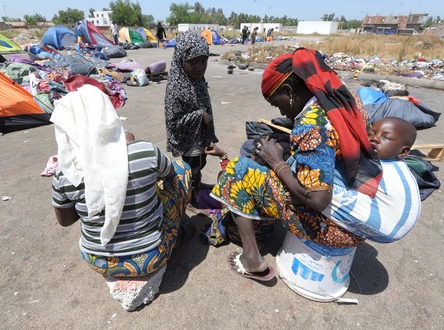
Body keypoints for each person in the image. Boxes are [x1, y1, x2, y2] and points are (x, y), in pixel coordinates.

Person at [210, 48, 383, 281]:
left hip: (334, 229)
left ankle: (252, 258)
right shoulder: (344, 98)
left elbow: (318, 200)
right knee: (265, 166)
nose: (280, 111)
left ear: (289, 91)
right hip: (358, 211)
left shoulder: (311, 125)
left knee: (237, 170)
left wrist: (277, 162)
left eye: (276, 103)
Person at [51, 84, 193, 281]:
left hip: (98, 262)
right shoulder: (145, 151)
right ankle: (175, 236)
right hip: (151, 257)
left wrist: (97, 197)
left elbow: (66, 221)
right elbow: (169, 174)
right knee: (181, 170)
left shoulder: (65, 173)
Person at [321, 117, 421, 243]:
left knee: (315, 181)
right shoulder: (397, 164)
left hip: (385, 228)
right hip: (393, 224)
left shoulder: (380, 168)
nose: (374, 138)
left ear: (403, 152)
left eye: (387, 138)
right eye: (371, 133)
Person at [164, 31, 218, 201]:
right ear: (181, 59)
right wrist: (200, 115)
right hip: (188, 138)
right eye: (193, 62)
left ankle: (197, 185)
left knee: (201, 163)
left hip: (200, 136)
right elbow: (173, 122)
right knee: (192, 168)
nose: (200, 67)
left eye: (204, 61)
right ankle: (190, 199)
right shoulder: (176, 87)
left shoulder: (197, 79)